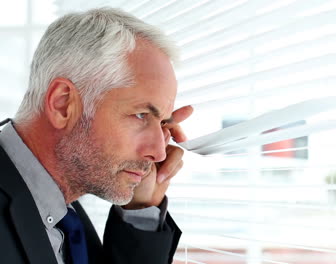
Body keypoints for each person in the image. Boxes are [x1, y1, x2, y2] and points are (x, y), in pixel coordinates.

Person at [0, 7, 193, 264]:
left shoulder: (64, 215)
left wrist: (141, 208)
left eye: (163, 122)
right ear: (63, 104)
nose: (159, 152)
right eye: (141, 115)